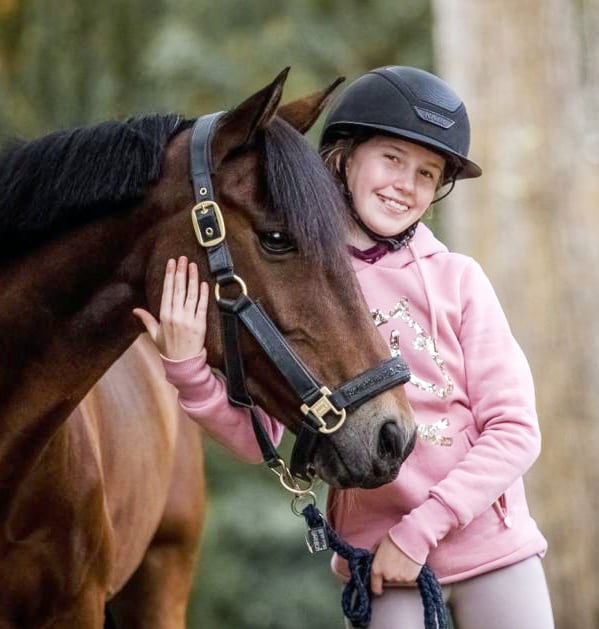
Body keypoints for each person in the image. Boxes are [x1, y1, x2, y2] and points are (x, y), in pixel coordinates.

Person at [134, 66, 554, 629]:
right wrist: (188, 368)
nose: (406, 183)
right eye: (391, 159)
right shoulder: (301, 285)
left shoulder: (459, 280)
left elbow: (516, 429)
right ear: (343, 157)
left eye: (427, 173)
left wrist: (420, 531)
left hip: (489, 547)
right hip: (378, 558)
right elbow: (267, 438)